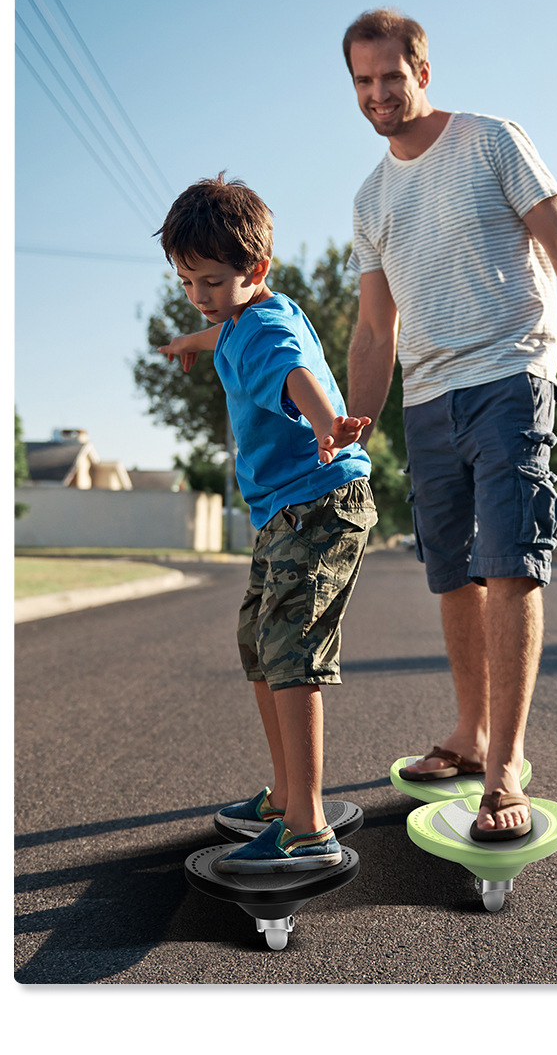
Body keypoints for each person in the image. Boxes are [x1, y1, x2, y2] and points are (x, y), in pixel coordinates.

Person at [342, 9, 557, 841]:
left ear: (422, 68)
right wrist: (357, 421)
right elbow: (373, 328)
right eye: (363, 82)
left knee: (511, 558)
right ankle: (468, 734)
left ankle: (505, 769)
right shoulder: (371, 196)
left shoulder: (491, 139)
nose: (379, 94)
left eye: (392, 76)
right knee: (450, 570)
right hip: (426, 400)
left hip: (509, 377)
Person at [156, 173, 377, 871]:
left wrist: (327, 424)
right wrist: (197, 336)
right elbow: (233, 326)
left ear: (256, 270)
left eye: (212, 283)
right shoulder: (243, 315)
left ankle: (308, 824)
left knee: (291, 646)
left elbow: (293, 372)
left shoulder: (264, 331)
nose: (200, 296)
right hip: (288, 508)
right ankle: (286, 795)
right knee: (258, 641)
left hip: (318, 500)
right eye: (188, 283)